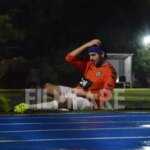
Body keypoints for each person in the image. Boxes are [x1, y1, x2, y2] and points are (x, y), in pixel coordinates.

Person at [14, 39, 117, 113]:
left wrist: (83, 93)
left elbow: (105, 97)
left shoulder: (110, 72)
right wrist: (86, 44)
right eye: (89, 55)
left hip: (90, 102)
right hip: (76, 91)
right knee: (47, 87)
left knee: (61, 102)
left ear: (102, 54)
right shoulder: (90, 64)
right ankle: (15, 102)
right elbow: (69, 58)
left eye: (93, 55)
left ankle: (28, 107)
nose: (90, 58)